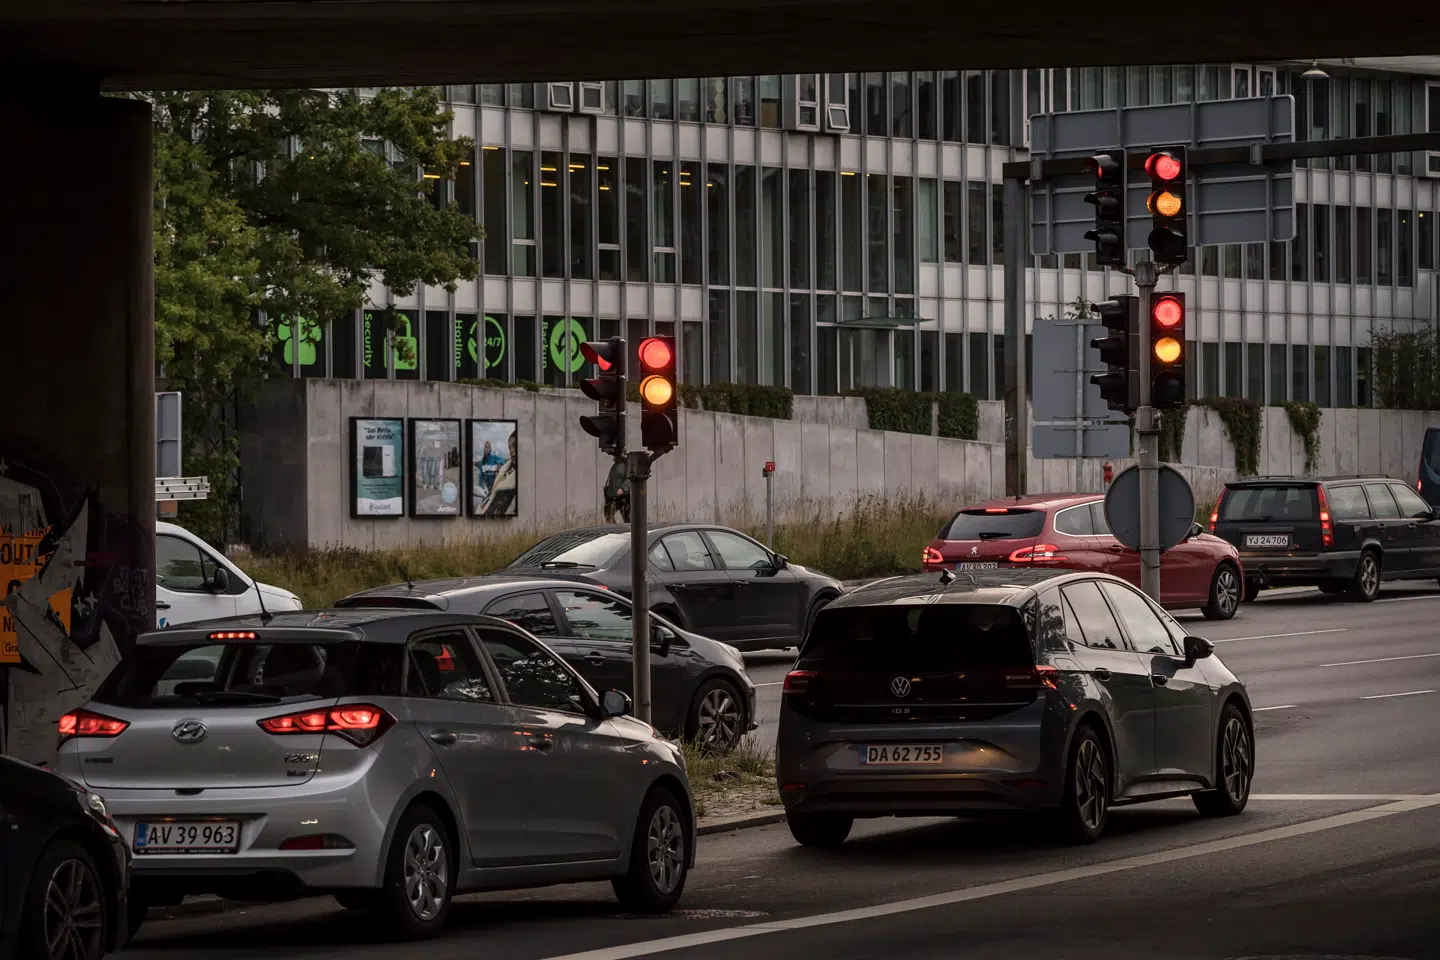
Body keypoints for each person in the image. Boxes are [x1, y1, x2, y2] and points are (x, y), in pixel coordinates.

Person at [603, 458, 629, 523]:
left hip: (623, 496)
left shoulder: (626, 465)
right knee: (608, 514)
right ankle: (614, 529)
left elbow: (629, 478)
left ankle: (628, 531)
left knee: (627, 517)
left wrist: (623, 488)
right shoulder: (614, 466)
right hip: (612, 495)